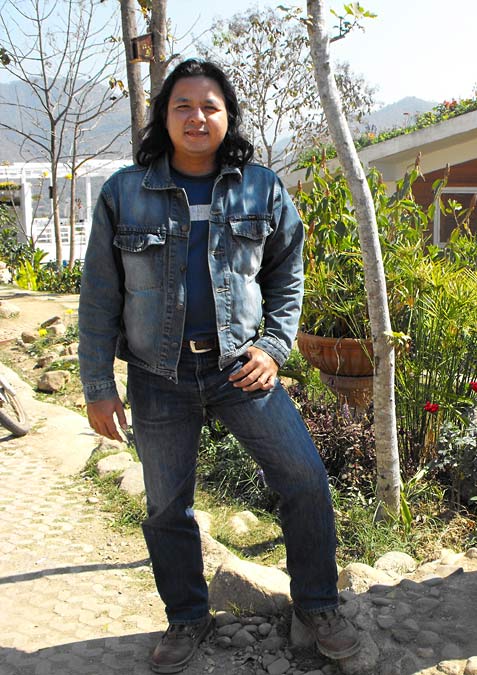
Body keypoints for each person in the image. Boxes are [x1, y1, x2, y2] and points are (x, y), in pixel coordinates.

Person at [78, 59, 360, 674]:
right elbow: (99, 296)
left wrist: (274, 347)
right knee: (165, 506)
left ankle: (317, 605)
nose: (196, 117)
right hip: (159, 376)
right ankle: (187, 618)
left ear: (227, 116)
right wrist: (99, 386)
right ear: (165, 116)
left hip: (241, 370)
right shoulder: (124, 193)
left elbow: (288, 270)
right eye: (183, 106)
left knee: (306, 479)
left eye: (209, 106)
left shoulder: (261, 187)